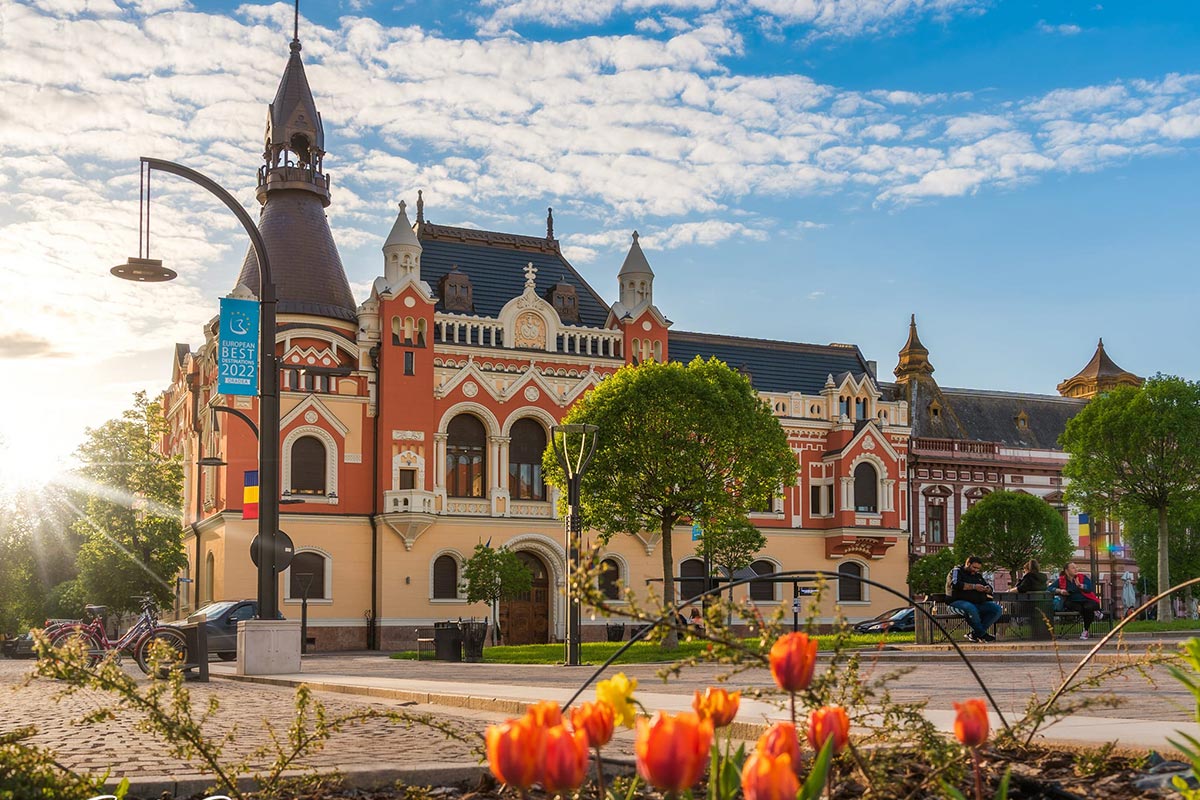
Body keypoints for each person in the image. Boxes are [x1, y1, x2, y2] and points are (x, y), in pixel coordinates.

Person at [949, 555, 1005, 643]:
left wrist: (987, 589)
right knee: (971, 608)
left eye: (978, 568)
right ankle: (983, 635)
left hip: (978, 603)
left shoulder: (977, 575)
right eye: (974, 567)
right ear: (967, 564)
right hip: (957, 602)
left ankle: (975, 634)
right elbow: (955, 584)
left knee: (997, 609)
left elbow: (988, 587)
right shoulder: (957, 571)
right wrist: (974, 587)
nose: (975, 570)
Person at [1055, 562, 1100, 639]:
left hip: (1087, 600)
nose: (1076, 569)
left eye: (1076, 567)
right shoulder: (1061, 580)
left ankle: (1085, 630)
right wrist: (1060, 591)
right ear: (1066, 571)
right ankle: (1094, 613)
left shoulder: (1082, 577)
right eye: (1073, 568)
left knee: (1087, 608)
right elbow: (1049, 588)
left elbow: (1090, 588)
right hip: (1073, 602)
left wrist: (1081, 586)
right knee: (1081, 608)